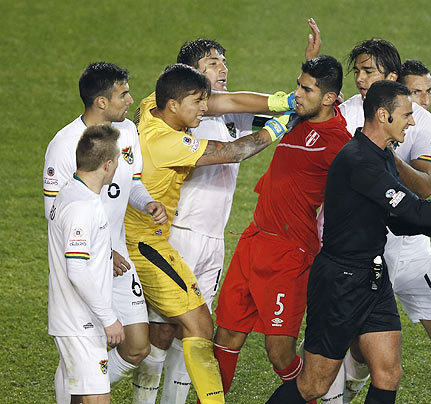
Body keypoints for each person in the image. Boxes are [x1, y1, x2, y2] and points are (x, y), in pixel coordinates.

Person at [266, 80, 431, 404]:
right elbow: (415, 211)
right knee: (314, 386)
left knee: (388, 374)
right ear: (383, 115)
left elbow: (401, 218)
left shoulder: (382, 156)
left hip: (374, 277)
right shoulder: (359, 162)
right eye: (406, 114)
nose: (412, 121)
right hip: (340, 283)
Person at [123, 63, 296, 404]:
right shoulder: (168, 142)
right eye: (197, 101)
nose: (205, 107)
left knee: (183, 329)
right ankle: (86, 386)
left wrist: (279, 101)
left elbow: (224, 103)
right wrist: (278, 126)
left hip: (147, 237)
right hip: (147, 243)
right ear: (174, 104)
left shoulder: (151, 106)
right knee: (192, 328)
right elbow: (233, 152)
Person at [316, 37, 431, 404]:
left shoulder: (422, 123)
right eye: (358, 71)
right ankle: (347, 391)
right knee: (348, 349)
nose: (360, 79)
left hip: (409, 244)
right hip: (355, 248)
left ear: (391, 77)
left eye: (369, 71)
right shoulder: (343, 111)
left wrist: (383, 153)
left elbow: (425, 188)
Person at [212, 55, 351, 399]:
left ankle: (314, 395)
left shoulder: (340, 143)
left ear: (330, 98)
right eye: (298, 86)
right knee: (225, 337)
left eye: (305, 90)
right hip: (253, 239)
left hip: (290, 254)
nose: (296, 95)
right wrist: (312, 62)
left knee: (279, 352)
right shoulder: (293, 120)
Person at [43, 62, 168, 401]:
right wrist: (99, 247)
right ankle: (78, 383)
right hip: (86, 257)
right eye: (123, 94)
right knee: (86, 341)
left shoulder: (126, 131)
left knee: (137, 346)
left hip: (119, 259)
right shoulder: (64, 145)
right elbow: (55, 212)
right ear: (101, 101)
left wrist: (148, 204)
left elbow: (134, 182)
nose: (130, 100)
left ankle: (81, 377)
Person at [47, 124, 125, 404]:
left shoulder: (71, 191)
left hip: (75, 319)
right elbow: (77, 270)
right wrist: (109, 318)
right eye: (116, 160)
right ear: (107, 165)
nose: (118, 165)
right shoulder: (82, 207)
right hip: (81, 323)